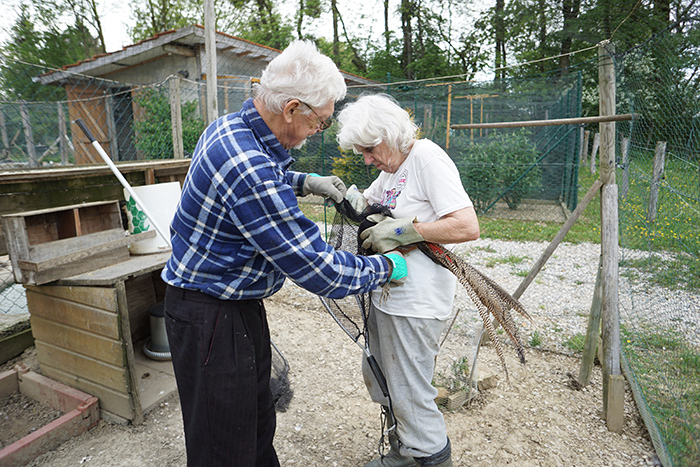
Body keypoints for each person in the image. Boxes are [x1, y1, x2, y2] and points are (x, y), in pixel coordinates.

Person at [161, 41, 407, 467]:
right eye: (321, 122)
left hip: (225, 304)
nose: (318, 132)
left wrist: (303, 181)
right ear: (293, 108)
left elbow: (263, 171)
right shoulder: (250, 171)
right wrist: (384, 267)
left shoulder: (228, 129)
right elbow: (319, 270)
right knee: (225, 447)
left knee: (254, 423)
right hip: (212, 317)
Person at [336, 93, 480, 467]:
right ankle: (404, 455)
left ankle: (431, 459)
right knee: (385, 382)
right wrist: (343, 197)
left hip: (417, 303)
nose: (366, 159)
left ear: (389, 133)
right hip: (386, 295)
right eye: (361, 152)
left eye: (369, 148)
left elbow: (466, 225)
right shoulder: (389, 171)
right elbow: (367, 211)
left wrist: (406, 232)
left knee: (411, 394)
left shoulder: (425, 158)